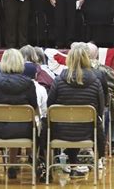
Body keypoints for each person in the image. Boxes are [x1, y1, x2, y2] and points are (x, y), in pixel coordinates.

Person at [47, 45, 105, 178]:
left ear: (69, 59)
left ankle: (71, 164)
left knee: (68, 124)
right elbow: (101, 110)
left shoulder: (58, 80)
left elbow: (50, 106)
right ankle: (77, 164)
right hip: (87, 132)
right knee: (80, 124)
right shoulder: (95, 82)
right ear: (86, 59)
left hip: (61, 132)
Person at [0, 49, 38, 179]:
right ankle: (37, 161)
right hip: (24, 131)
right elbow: (34, 109)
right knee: (31, 124)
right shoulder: (29, 84)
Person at [86, 42, 114, 155]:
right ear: (97, 55)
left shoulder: (69, 72)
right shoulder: (106, 71)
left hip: (73, 111)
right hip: (101, 109)